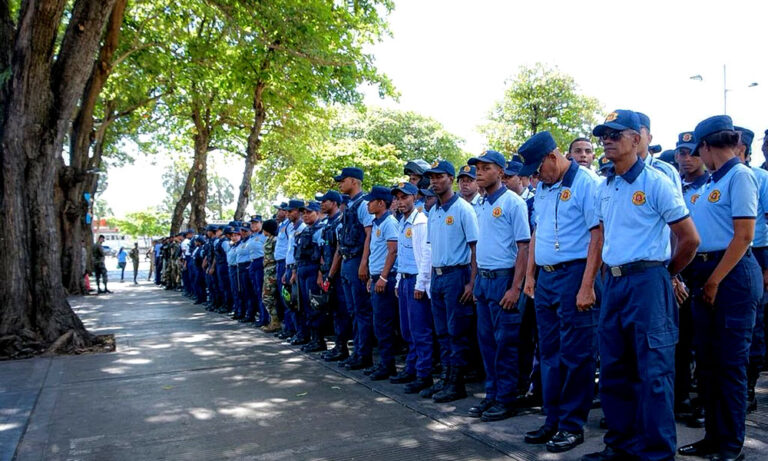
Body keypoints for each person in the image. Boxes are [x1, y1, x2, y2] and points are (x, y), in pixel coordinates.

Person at [582, 110, 700, 461]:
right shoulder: (607, 185)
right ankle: (621, 446)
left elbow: (689, 239)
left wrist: (666, 273)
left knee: (654, 374)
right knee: (616, 371)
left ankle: (658, 454)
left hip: (648, 282)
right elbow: (602, 237)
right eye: (604, 134)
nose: (608, 140)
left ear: (638, 139)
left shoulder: (656, 182)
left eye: (616, 134)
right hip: (614, 283)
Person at [677, 115, 762, 461]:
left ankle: (731, 445)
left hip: (731, 275)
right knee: (709, 365)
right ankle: (713, 437)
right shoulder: (712, 181)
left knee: (729, 366)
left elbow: (744, 236)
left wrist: (714, 279)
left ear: (707, 147)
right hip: (705, 274)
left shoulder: (740, 176)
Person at [517, 134, 601, 452]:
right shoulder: (542, 188)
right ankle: (552, 419)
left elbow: (597, 235)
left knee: (576, 355)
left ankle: (571, 425)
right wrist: (529, 275)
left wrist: (588, 284)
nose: (536, 177)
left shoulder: (587, 183)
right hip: (547, 278)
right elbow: (538, 231)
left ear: (553, 157)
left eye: (538, 169)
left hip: (575, 274)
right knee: (549, 355)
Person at [466, 149, 530, 421]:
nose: (478, 172)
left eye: (485, 167)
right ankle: (491, 395)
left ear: (501, 172)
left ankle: (506, 398)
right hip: (485, 280)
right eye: (477, 167)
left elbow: (524, 247)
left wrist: (516, 288)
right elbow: (479, 246)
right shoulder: (479, 204)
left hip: (505, 279)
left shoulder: (514, 203)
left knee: (506, 344)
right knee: (487, 343)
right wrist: (476, 281)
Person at [423, 160, 479, 403]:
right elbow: (430, 247)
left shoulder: (463, 209)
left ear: (451, 179)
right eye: (432, 178)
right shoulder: (433, 210)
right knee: (442, 331)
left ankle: (457, 383)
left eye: (439, 177)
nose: (435, 181)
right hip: (438, 275)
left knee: (457, 332)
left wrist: (472, 282)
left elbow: (475, 246)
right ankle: (445, 378)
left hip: (458, 274)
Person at [674, 130, 709, 428]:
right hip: (677, 267)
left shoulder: (712, 185)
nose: (686, 158)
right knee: (680, 338)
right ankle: (681, 396)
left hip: (704, 264)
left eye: (692, 153)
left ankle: (703, 402)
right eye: (681, 153)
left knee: (705, 339)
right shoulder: (675, 187)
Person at [734, 126, 768, 413]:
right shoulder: (717, 179)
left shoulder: (759, 178)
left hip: (757, 252)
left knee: (753, 326)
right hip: (730, 252)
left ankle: (748, 387)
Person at [391, 182, 434, 393]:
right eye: (398, 198)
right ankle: (411, 367)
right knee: (407, 329)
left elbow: (426, 254)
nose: (400, 202)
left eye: (404, 197)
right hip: (406, 279)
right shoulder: (402, 222)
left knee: (420, 330)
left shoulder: (421, 222)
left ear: (414, 197)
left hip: (417, 279)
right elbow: (403, 254)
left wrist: (421, 283)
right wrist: (399, 279)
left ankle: (424, 374)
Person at [334, 167, 375, 370]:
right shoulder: (349, 205)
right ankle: (357, 351)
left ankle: (363, 354)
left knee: (361, 311)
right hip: (347, 260)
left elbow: (369, 235)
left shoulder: (364, 204)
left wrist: (363, 263)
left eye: (343, 181)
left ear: (354, 181)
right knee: (352, 311)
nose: (340, 184)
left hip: (357, 260)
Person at [364, 186, 400, 380]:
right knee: (379, 323)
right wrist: (372, 276)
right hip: (377, 277)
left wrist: (384, 277)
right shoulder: (377, 222)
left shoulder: (389, 223)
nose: (368, 204)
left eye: (371, 201)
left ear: (380, 203)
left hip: (386, 279)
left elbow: (392, 251)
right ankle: (384, 363)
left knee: (384, 324)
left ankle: (388, 365)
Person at [317, 190, 353, 362]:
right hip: (328, 273)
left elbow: (339, 251)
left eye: (325, 201)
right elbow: (323, 250)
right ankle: (338, 346)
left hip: (337, 275)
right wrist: (322, 273)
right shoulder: (327, 224)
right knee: (334, 311)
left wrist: (330, 275)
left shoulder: (340, 222)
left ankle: (343, 347)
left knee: (342, 310)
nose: (322, 204)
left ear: (334, 203)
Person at [292, 201, 326, 351]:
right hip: (302, 269)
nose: (305, 215)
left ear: (317, 213)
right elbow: (297, 255)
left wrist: (321, 273)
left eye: (309, 212)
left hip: (313, 270)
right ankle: (312, 338)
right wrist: (294, 271)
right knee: (305, 305)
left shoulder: (320, 230)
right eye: (303, 213)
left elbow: (323, 254)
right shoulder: (304, 231)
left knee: (315, 305)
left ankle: (319, 340)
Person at [636, 112, 683, 192]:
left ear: (649, 138)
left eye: (638, 133)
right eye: (628, 134)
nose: (633, 138)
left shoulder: (666, 171)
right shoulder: (617, 172)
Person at [282, 199, 307, 343]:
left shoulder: (302, 228)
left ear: (298, 211)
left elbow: (299, 253)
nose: (288, 214)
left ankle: (302, 333)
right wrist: (287, 270)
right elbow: (290, 252)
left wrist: (294, 272)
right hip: (290, 267)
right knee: (291, 302)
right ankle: (298, 331)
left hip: (296, 268)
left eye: (290, 211)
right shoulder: (291, 228)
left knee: (298, 303)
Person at [260, 219, 282, 333]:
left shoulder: (275, 240)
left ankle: (275, 322)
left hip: (272, 271)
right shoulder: (269, 239)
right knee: (267, 297)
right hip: (267, 270)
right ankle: (273, 321)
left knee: (268, 297)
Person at [248, 215, 267, 327]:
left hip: (261, 262)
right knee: (256, 291)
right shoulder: (252, 236)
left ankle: (264, 318)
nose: (253, 225)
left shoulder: (264, 235)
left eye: (256, 223)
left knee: (262, 292)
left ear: (261, 223)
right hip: (253, 263)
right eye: (252, 223)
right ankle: (261, 316)